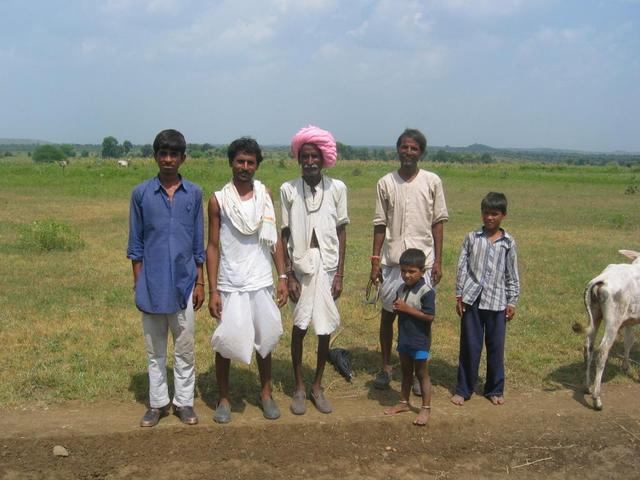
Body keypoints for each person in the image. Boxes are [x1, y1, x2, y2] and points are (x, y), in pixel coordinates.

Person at [206, 137, 288, 423]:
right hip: (230, 282)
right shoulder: (218, 199)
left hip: (261, 279)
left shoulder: (265, 195)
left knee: (265, 339)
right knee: (226, 341)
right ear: (231, 162)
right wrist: (214, 289)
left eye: (250, 162)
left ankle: (265, 395)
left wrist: (282, 276)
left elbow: (274, 238)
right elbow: (213, 246)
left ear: (257, 165)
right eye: (240, 161)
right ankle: (224, 399)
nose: (244, 167)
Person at [127, 129, 205, 427]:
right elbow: (136, 245)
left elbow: (198, 243)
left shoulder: (194, 193)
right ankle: (157, 403)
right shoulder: (141, 194)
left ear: (183, 157)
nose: (168, 159)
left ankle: (184, 402)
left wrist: (199, 283)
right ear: (155, 156)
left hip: (184, 284)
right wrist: (139, 283)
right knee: (154, 349)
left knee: (184, 349)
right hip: (151, 284)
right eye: (163, 153)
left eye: (174, 154)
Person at [370, 128, 448, 392]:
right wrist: (374, 262)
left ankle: (416, 372)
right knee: (388, 316)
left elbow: (438, 223)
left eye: (414, 148)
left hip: (423, 262)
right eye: (404, 147)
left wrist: (437, 261)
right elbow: (379, 225)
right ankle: (385, 368)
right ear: (397, 150)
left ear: (421, 152)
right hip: (392, 263)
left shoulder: (432, 181)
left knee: (420, 318)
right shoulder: (385, 183)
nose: (408, 152)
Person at [280, 125, 349, 415]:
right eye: (305, 156)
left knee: (323, 329)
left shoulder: (337, 189)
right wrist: (289, 275)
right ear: (299, 159)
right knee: (299, 327)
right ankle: (298, 386)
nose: (310, 162)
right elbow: (283, 235)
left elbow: (342, 230)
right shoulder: (288, 190)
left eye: (315, 157)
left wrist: (340, 274)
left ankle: (317, 386)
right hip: (300, 267)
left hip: (328, 266)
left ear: (324, 160)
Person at [450, 192, 520, 406]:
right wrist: (459, 294)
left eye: (494, 214)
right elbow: (462, 267)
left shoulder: (508, 242)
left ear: (503, 216)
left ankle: (494, 389)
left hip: (498, 302)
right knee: (470, 346)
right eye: (486, 213)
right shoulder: (472, 238)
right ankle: (463, 389)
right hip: (472, 300)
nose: (489, 218)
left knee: (496, 348)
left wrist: (512, 301)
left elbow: (512, 274)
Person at [383, 248, 435, 426]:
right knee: (406, 372)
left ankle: (425, 408)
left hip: (420, 341)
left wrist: (407, 309)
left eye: (412, 271)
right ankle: (403, 402)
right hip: (404, 338)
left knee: (421, 373)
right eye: (403, 271)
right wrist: (398, 308)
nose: (407, 275)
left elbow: (429, 316)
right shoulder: (401, 288)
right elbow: (400, 309)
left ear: (422, 272)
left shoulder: (427, 291)